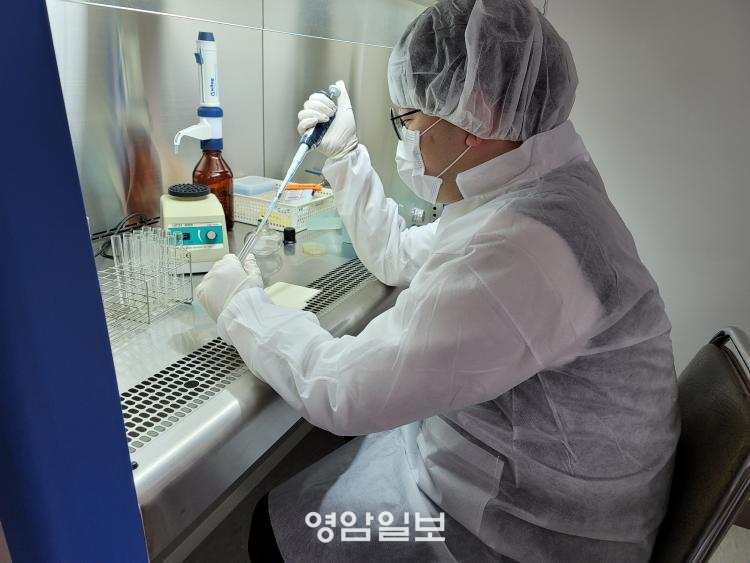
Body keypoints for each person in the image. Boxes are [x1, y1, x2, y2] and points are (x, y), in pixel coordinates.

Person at [195, 0, 680, 560]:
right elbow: (399, 254)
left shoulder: (524, 247)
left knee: (275, 529)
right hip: (504, 468)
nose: (408, 140)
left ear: (477, 115)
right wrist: (346, 156)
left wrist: (242, 306)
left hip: (523, 532)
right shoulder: (533, 188)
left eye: (410, 120)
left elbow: (344, 392)